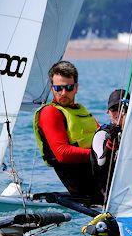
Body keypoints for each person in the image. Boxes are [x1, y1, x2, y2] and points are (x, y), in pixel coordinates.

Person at [33, 61, 103, 203]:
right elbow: (62, 153)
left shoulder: (80, 110)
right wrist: (102, 154)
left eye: (69, 87)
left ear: (76, 88)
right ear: (52, 88)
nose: (64, 93)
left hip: (101, 173)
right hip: (85, 186)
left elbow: (102, 135)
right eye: (58, 88)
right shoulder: (50, 112)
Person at [90, 89, 130, 200]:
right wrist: (112, 142)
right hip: (106, 196)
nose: (120, 113)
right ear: (108, 111)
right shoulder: (102, 135)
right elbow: (101, 162)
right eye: (114, 109)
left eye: (124, 108)